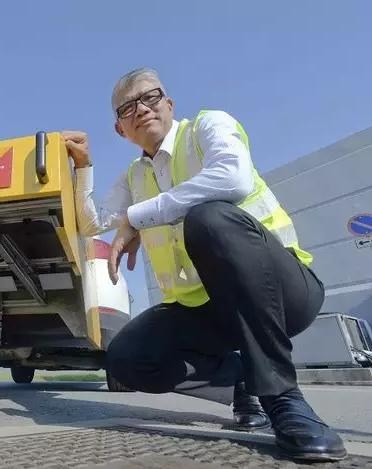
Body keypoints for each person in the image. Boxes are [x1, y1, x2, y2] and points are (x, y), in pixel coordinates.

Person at [61, 67, 347, 462]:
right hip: (205, 310)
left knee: (210, 218)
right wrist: (83, 167)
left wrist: (138, 217)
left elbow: (232, 178)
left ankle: (282, 397)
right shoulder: (133, 177)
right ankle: (243, 378)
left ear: (169, 104)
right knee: (126, 358)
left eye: (150, 97)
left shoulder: (208, 127)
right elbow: (92, 224)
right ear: (120, 130)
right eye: (127, 108)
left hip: (282, 294)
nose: (141, 109)